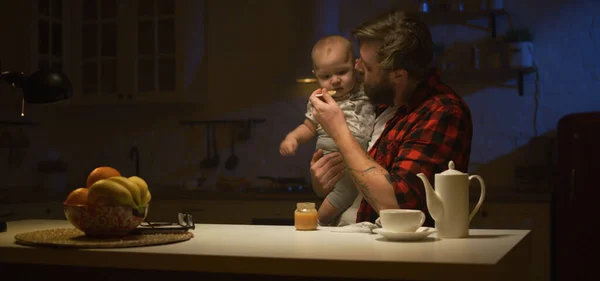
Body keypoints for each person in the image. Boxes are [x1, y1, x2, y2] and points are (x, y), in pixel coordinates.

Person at [307, 10, 473, 227]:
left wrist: (339, 131)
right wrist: (323, 182)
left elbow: (398, 207)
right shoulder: (382, 103)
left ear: (398, 76)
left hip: (396, 256)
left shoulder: (442, 112)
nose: (356, 67)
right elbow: (358, 180)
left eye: (366, 66)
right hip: (347, 240)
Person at [279, 35, 376, 226]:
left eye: (342, 72)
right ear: (316, 74)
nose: (335, 81)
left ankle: (317, 220)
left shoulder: (365, 91)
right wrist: (293, 138)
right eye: (326, 76)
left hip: (356, 153)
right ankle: (317, 220)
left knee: (349, 190)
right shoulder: (319, 99)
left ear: (355, 66)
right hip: (329, 152)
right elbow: (308, 126)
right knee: (343, 192)